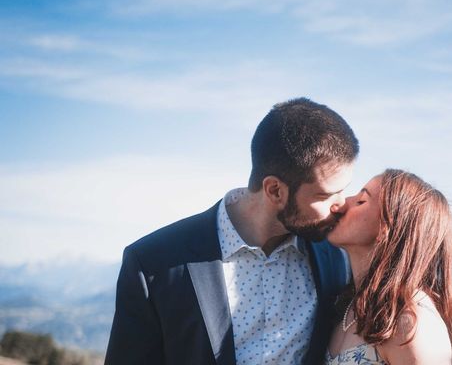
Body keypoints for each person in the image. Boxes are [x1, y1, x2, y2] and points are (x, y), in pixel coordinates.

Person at [105, 98, 359, 365]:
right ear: (274, 190)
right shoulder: (152, 263)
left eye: (344, 189)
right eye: (326, 195)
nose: (341, 204)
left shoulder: (337, 255)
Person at [325, 169, 452, 365]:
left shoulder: (411, 322)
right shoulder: (347, 306)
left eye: (361, 201)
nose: (342, 204)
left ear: (387, 228)